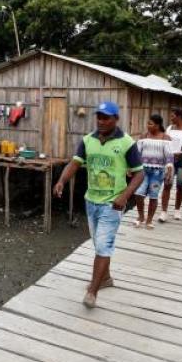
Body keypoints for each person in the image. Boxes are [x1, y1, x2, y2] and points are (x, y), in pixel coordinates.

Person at [53, 101, 144, 308]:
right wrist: (61, 181)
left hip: (113, 204)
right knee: (100, 244)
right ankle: (106, 279)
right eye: (99, 117)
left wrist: (125, 196)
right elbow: (75, 163)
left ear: (116, 119)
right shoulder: (87, 140)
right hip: (91, 201)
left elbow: (139, 173)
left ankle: (92, 292)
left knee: (103, 245)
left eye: (106, 117)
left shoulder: (127, 142)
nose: (101, 121)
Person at [134, 114, 173, 229]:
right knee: (138, 194)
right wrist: (132, 167)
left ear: (158, 125)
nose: (148, 126)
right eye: (148, 123)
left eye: (150, 124)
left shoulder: (165, 137)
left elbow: (169, 155)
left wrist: (169, 167)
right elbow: (137, 153)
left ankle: (149, 220)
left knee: (153, 196)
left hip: (158, 172)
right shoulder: (144, 136)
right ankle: (141, 216)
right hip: (143, 171)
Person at [159, 109, 182, 222]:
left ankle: (177, 210)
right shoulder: (169, 128)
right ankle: (163, 212)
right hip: (170, 161)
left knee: (180, 185)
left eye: (173, 116)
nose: (171, 118)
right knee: (167, 185)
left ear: (179, 117)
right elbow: (164, 142)